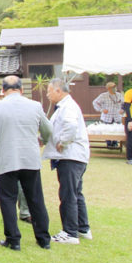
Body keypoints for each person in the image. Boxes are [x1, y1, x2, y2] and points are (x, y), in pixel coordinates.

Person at [0, 75, 53, 251]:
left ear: (3, 90)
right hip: (30, 159)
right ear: (21, 90)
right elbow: (48, 130)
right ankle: (43, 238)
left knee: (7, 199)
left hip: (6, 158)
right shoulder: (35, 106)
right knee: (36, 199)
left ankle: (13, 240)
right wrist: (41, 139)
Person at [44, 79, 92, 244]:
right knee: (76, 192)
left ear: (58, 91)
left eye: (49, 91)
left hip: (71, 156)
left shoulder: (68, 107)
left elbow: (70, 126)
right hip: (75, 156)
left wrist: (63, 142)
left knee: (68, 194)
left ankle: (70, 232)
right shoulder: (64, 107)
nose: (47, 94)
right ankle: (82, 228)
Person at [92, 81, 123, 148]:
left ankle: (115, 143)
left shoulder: (119, 95)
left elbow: (125, 104)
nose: (114, 88)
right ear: (108, 88)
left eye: (115, 87)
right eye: (112, 87)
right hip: (107, 116)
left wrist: (122, 110)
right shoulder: (103, 95)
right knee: (107, 131)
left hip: (117, 116)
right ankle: (109, 143)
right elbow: (95, 102)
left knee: (116, 130)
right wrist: (101, 110)